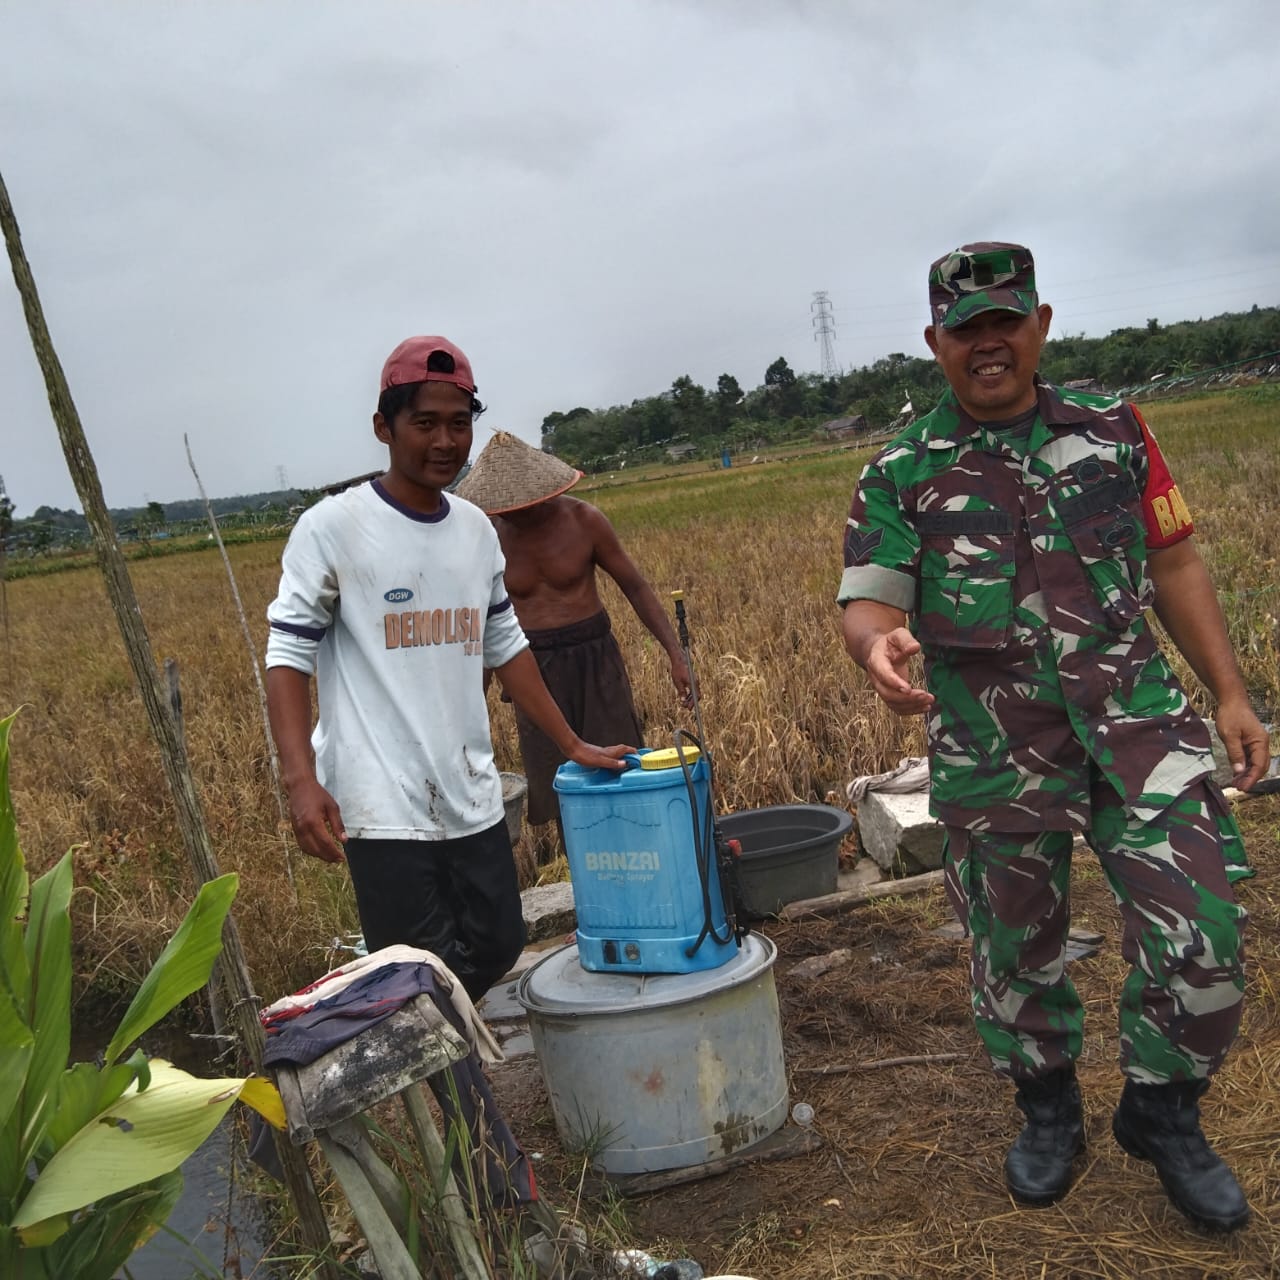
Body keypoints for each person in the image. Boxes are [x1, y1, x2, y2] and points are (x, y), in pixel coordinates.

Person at [837, 243, 1270, 1231]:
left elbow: (1173, 558)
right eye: (964, 330)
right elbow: (867, 601)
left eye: (1004, 323)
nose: (986, 344)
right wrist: (878, 647)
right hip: (993, 744)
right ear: (933, 343)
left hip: (1137, 723)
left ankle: (1161, 1110)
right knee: (1011, 949)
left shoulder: (1116, 431)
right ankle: (1045, 1108)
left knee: (1200, 927)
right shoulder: (900, 470)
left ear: (1038, 325)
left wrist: (1232, 692)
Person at [265, 336, 632, 1003]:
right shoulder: (333, 529)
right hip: (379, 801)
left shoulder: (474, 530)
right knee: (418, 973)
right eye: (424, 423)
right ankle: (461, 1096)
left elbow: (507, 645)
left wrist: (572, 743)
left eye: (458, 423)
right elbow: (288, 655)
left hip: (467, 787)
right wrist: (299, 779)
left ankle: (450, 1059)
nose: (444, 441)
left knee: (497, 942)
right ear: (384, 427)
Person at [456, 430, 693, 837]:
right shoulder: (487, 538)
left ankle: (639, 854)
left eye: (523, 506)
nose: (514, 514)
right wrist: (470, 707)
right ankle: (584, 865)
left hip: (594, 658)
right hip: (532, 666)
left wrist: (675, 654)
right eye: (505, 508)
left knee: (620, 765)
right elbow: (484, 626)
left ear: (543, 494)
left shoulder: (585, 521)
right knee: (561, 782)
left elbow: (635, 587)